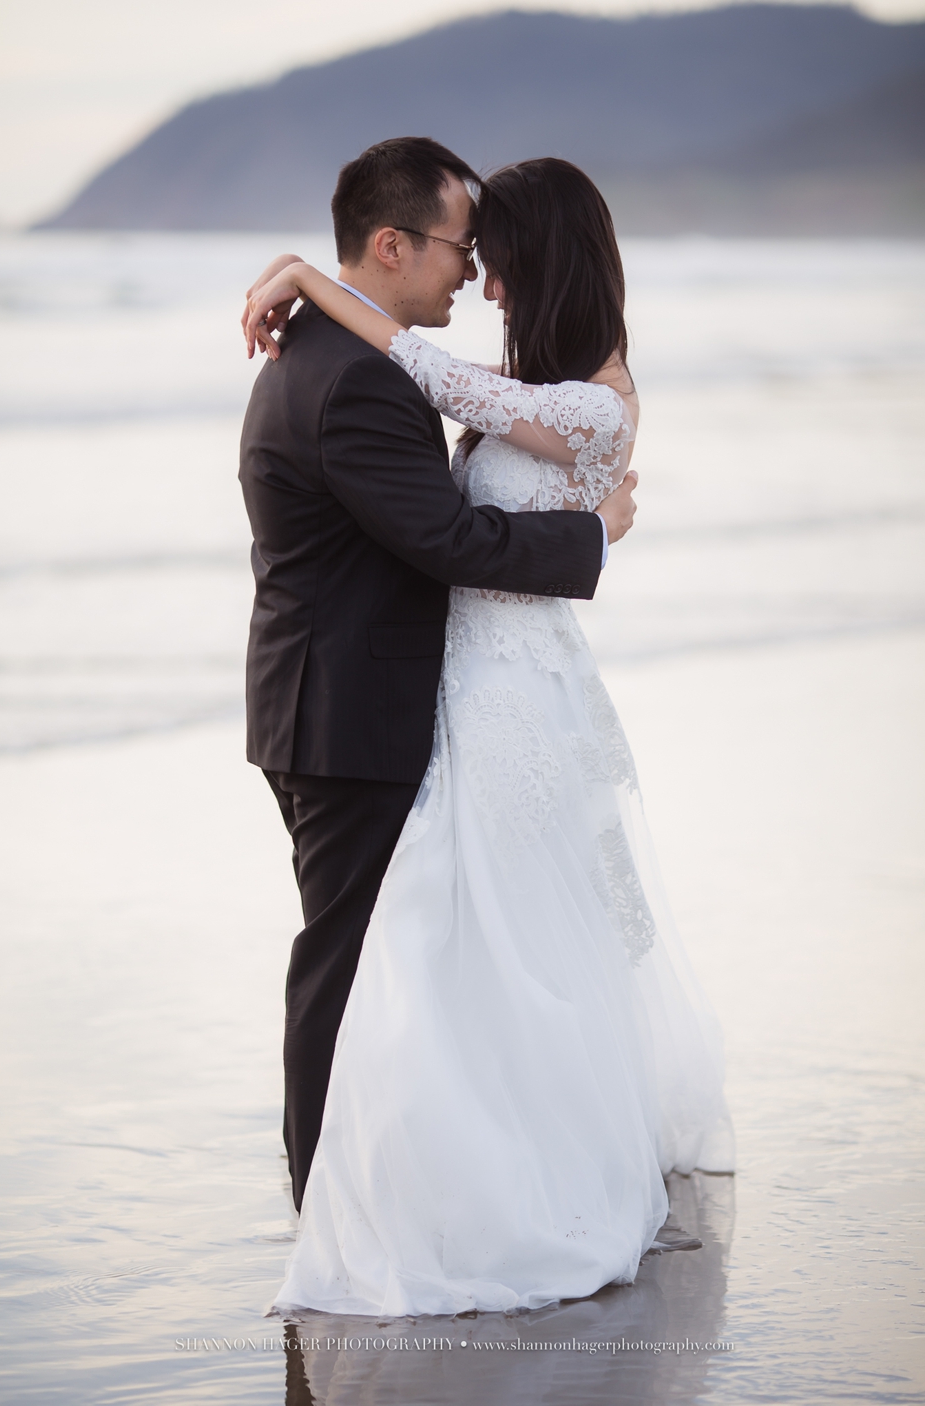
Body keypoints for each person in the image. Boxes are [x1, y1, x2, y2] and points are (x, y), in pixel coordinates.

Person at [242, 155, 735, 1317]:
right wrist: (591, 540)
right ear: (399, 246)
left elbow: (437, 394)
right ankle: (354, 1194)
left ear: (543, 256)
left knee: (479, 956)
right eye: (470, 250)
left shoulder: (577, 401)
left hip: (488, 701)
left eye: (496, 252)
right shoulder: (392, 376)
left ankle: (414, 1194)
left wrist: (309, 275)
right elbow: (450, 513)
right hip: (407, 703)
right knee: (399, 959)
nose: (484, 275)